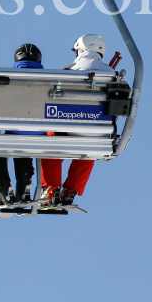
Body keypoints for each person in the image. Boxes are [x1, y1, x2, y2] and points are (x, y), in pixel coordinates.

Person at [41, 34, 110, 206]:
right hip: (101, 130)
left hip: (73, 125)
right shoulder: (112, 73)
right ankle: (71, 189)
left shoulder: (70, 71)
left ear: (80, 49)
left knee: (50, 142)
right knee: (90, 147)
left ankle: (51, 187)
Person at [0, 43, 42, 207]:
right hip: (40, 132)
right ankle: (24, 184)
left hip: (16, 130)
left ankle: (3, 186)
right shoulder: (50, 78)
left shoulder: (8, 78)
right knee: (25, 140)